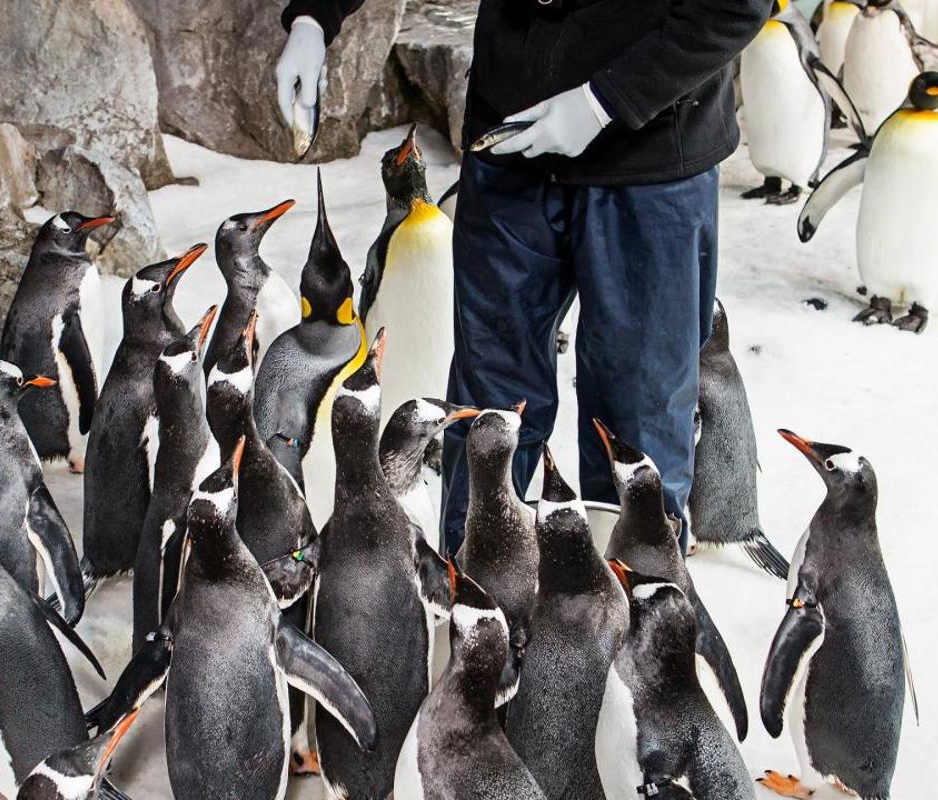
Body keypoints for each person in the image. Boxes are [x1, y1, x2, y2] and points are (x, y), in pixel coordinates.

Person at [275, 0, 771, 554]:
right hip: (513, 140)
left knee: (639, 428)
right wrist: (315, 17)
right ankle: (477, 611)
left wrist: (606, 101)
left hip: (652, 157)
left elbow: (736, 6)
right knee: (490, 413)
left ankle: (638, 617)